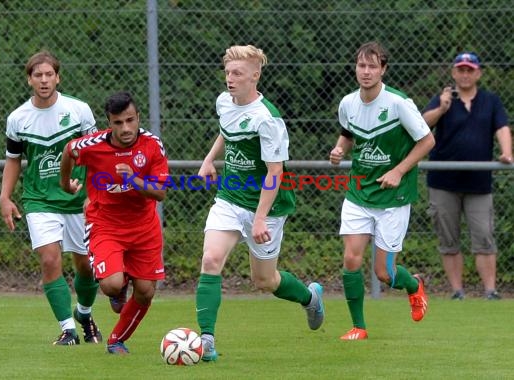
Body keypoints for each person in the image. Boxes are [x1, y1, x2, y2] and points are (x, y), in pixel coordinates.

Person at [196, 45, 324, 362]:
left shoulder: (267, 119)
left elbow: (275, 171)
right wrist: (210, 159)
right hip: (230, 197)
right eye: (227, 72)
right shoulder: (224, 102)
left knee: (264, 281)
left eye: (237, 73)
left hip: (265, 207)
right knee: (211, 259)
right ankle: (206, 341)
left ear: (255, 76)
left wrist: (259, 219)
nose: (230, 79)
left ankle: (310, 298)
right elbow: (227, 130)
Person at [329, 41, 434, 340]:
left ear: (383, 70)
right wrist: (339, 149)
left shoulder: (399, 103)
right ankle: (358, 327)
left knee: (384, 274)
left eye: (373, 66)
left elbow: (427, 141)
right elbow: (347, 133)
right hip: (359, 192)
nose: (366, 71)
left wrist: (399, 171)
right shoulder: (348, 103)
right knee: (351, 259)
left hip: (393, 198)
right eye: (362, 65)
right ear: (356, 68)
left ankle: (413, 286)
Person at [0, 50, 102, 345]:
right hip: (39, 200)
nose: (44, 80)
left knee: (86, 265)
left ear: (58, 77)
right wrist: (5, 198)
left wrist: (93, 194)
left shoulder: (79, 111)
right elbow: (13, 160)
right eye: (37, 75)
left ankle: (84, 313)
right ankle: (68, 329)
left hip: (78, 200)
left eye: (49, 75)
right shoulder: (18, 119)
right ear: (29, 80)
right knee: (49, 259)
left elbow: (95, 155)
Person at [59, 91, 169, 355]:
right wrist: (65, 183)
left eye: (130, 120)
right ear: (109, 122)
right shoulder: (93, 145)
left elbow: (160, 192)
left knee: (145, 292)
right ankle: (119, 283)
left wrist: (133, 180)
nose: (126, 128)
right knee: (111, 284)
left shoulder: (152, 145)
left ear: (138, 117)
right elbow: (69, 150)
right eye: (118, 123)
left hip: (144, 228)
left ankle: (116, 339)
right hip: (105, 224)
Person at [422, 52, 512, 300]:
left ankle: (490, 291)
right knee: (448, 239)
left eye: (470, 70)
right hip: (443, 182)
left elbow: (502, 127)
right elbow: (421, 124)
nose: (465, 74)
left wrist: (506, 153)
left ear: (478, 73)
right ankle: (457, 292)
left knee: (484, 236)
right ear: (453, 73)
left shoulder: (490, 101)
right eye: (460, 69)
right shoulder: (443, 99)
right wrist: (441, 108)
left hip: (479, 183)